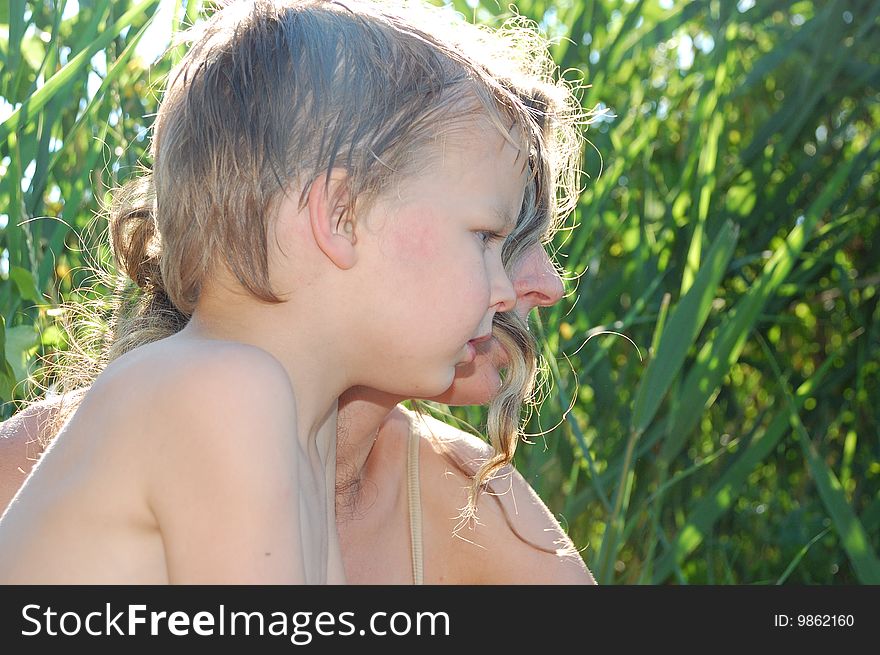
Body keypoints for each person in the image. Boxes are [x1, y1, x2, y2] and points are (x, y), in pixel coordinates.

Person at [0, 0, 560, 584]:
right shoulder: (220, 392)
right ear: (340, 215)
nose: (507, 289)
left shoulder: (301, 439)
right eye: (486, 236)